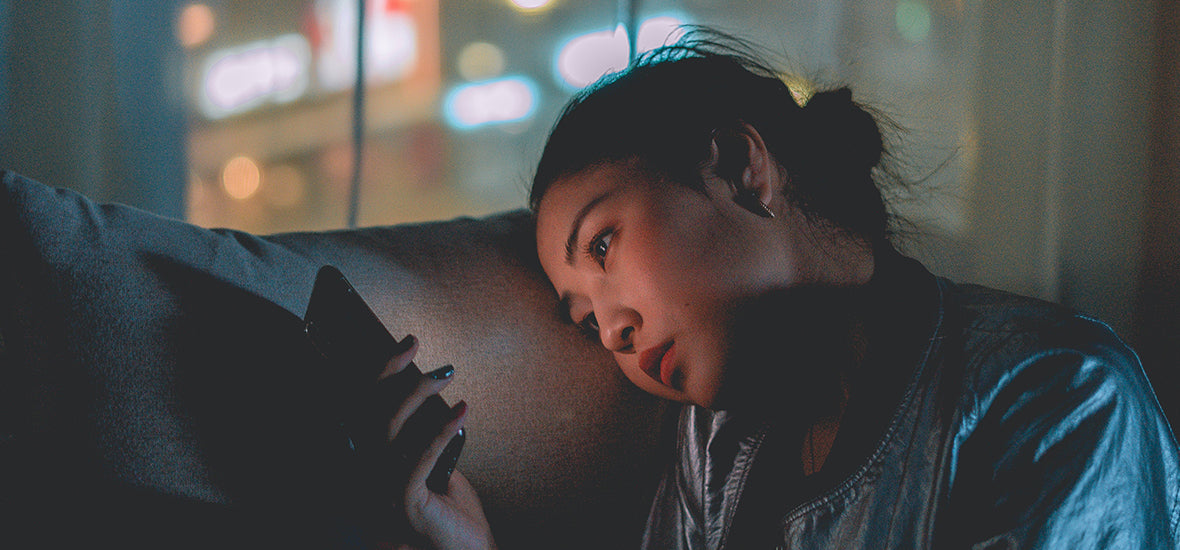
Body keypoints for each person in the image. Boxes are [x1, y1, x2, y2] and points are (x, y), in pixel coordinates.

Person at [381, 30, 1180, 549]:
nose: (613, 332)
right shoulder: (712, 450)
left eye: (603, 243)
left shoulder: (1058, 396)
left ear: (739, 166)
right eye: (584, 320)